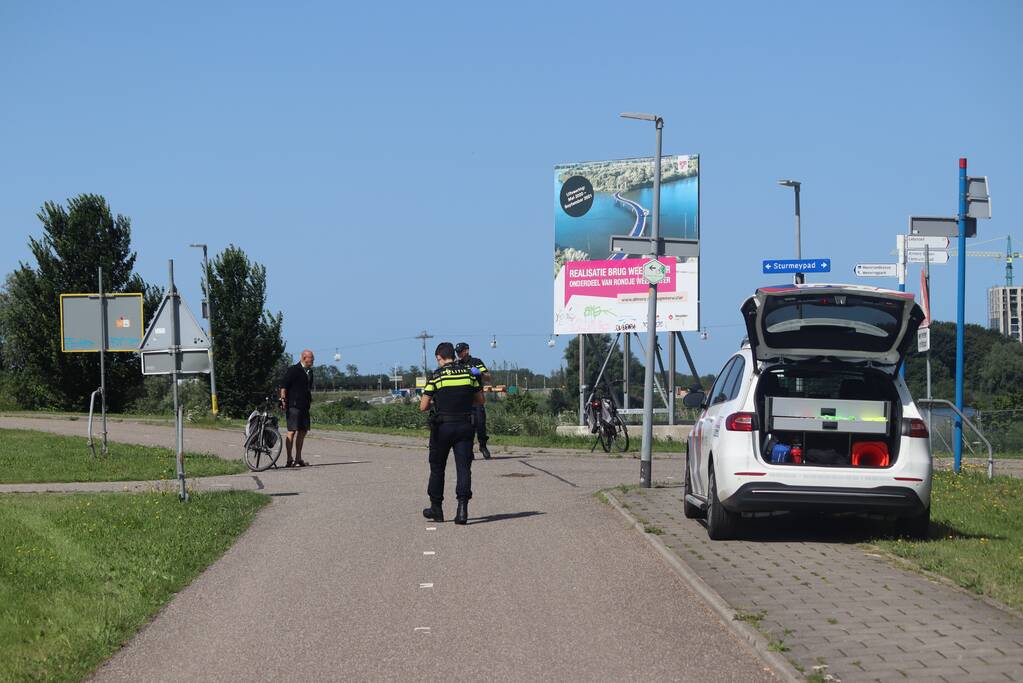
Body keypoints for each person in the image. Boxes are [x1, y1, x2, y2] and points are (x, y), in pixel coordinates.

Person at [420, 342, 484, 525]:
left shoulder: (437, 376)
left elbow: (423, 406)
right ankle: (462, 510)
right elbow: (480, 400)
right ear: (454, 356)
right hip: (465, 426)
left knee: (437, 467)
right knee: (463, 468)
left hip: (442, 428)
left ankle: (436, 508)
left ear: (439, 357)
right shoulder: (468, 374)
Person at [454, 341, 492, 459]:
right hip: (463, 399)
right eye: (457, 352)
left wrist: (480, 373)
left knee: (480, 424)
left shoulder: (476, 362)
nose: (459, 354)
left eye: (460, 351)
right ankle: (469, 450)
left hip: (476, 397)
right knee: (467, 426)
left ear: (467, 350)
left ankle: (483, 445)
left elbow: (488, 377)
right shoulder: (456, 364)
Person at [279, 349, 315, 467]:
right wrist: (283, 400)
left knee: (303, 431)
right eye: (311, 358)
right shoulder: (293, 370)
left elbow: (307, 388)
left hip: (304, 405)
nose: (313, 360)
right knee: (292, 431)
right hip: (293, 405)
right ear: (304, 358)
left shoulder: (310, 372)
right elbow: (284, 386)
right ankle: (289, 458)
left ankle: (298, 458)